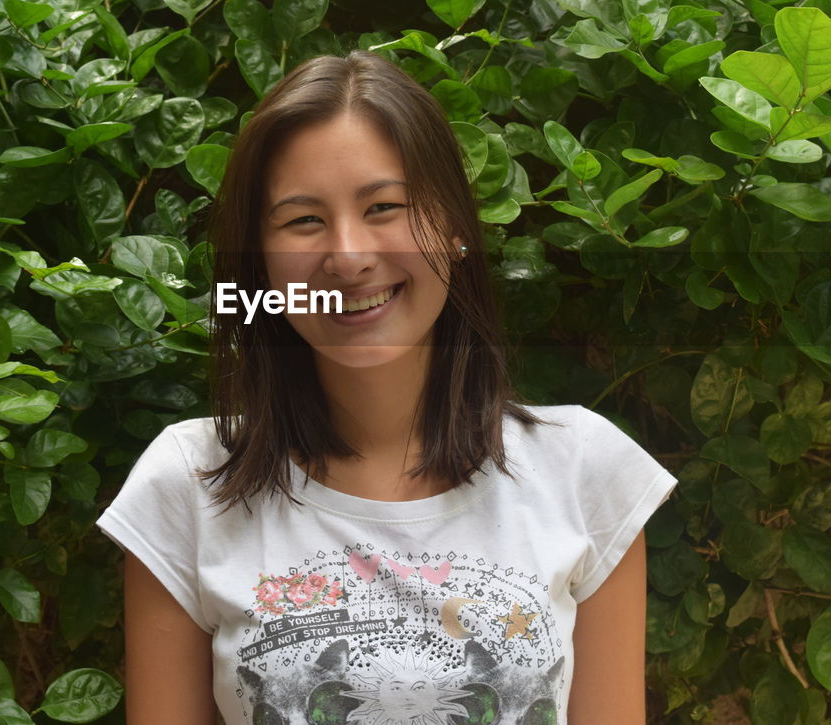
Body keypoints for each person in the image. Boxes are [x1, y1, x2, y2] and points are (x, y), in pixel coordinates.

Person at [96, 50, 678, 724]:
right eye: (304, 220)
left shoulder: (584, 470)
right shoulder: (190, 484)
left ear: (454, 227)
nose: (348, 255)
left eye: (385, 206)